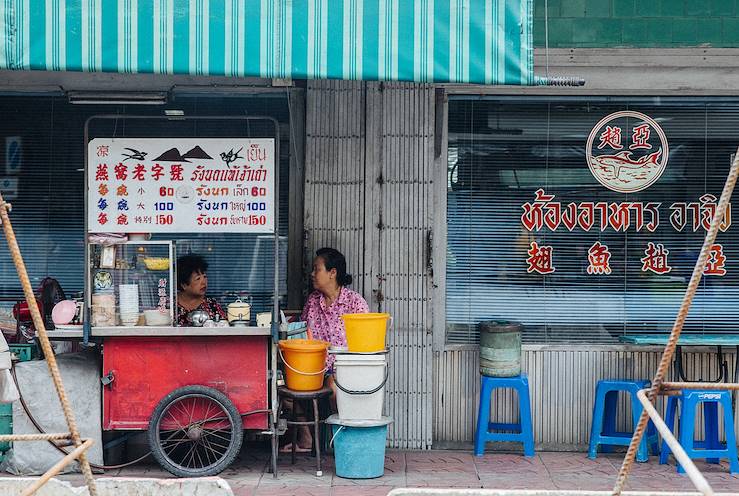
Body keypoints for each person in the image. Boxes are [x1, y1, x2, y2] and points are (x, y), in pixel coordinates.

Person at [282, 248, 368, 453]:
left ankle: (344, 440)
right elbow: (303, 333)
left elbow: (365, 340)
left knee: (335, 389)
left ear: (333, 273)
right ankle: (306, 438)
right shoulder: (313, 301)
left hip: (343, 367)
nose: (312, 274)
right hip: (313, 367)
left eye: (316, 269)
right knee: (286, 391)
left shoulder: (354, 302)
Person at [175, 254, 227, 327]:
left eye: (205, 277)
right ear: (184, 285)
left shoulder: (212, 305)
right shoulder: (170, 306)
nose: (204, 282)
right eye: (198, 279)